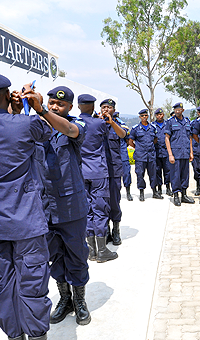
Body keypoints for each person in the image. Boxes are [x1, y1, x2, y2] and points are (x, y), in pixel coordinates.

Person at [0, 71, 61, 340]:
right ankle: (36, 335)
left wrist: (11, 109)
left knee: (5, 283)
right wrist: (31, 105)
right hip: (25, 221)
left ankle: (14, 335)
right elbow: (44, 131)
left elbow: (4, 129)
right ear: (8, 95)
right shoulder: (23, 125)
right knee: (31, 283)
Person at [26, 87, 91, 326]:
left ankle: (80, 300)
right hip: (44, 206)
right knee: (54, 256)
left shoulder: (75, 125)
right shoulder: (34, 126)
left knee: (77, 253)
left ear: (70, 108)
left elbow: (71, 130)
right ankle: (65, 299)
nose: (55, 106)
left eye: (60, 105)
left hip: (71, 206)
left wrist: (42, 109)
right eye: (51, 103)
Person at [79, 96, 118, 263]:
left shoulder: (74, 123)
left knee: (87, 210)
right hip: (98, 172)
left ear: (79, 107)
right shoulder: (100, 124)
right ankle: (102, 250)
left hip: (81, 172)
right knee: (100, 209)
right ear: (94, 106)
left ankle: (91, 251)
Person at [99, 100, 127, 245]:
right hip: (99, 170)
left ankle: (116, 231)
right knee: (102, 202)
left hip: (114, 169)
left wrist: (112, 123)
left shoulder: (118, 123)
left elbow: (122, 135)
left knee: (115, 201)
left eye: (109, 107)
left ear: (114, 110)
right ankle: (106, 231)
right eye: (104, 107)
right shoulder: (96, 122)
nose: (106, 109)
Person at [165, 102, 195, 206]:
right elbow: (167, 138)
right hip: (175, 153)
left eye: (179, 109)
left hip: (185, 153)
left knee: (185, 175)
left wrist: (191, 152)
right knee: (175, 175)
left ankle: (184, 195)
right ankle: (176, 196)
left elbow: (190, 137)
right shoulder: (170, 122)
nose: (177, 111)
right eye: (176, 109)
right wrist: (170, 154)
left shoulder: (187, 121)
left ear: (182, 110)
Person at [129, 109, 162, 201]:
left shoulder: (153, 127)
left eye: (145, 115)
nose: (144, 117)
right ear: (140, 117)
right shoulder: (135, 128)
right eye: (142, 116)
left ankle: (154, 192)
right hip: (140, 156)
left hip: (151, 155)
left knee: (153, 174)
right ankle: (141, 192)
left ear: (147, 116)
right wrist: (137, 148)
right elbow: (130, 141)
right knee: (140, 174)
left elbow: (155, 139)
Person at [152, 108, 172, 196]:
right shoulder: (152, 125)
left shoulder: (168, 124)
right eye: (157, 115)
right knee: (157, 171)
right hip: (156, 152)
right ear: (155, 116)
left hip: (166, 151)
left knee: (168, 170)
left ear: (163, 115)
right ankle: (159, 188)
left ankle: (168, 188)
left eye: (161, 114)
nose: (159, 116)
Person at [191, 106, 200, 195]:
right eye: (199, 112)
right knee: (196, 171)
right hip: (196, 150)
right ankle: (198, 187)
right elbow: (191, 137)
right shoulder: (193, 123)